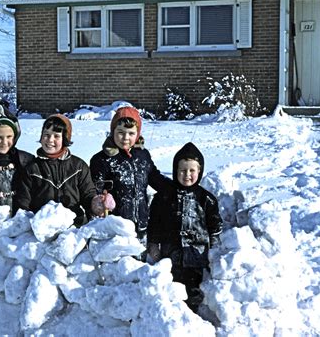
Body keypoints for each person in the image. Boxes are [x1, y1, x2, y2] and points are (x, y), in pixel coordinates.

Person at [147, 142, 223, 312]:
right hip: (170, 255)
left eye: (192, 171)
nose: (187, 175)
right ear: (175, 170)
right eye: (182, 170)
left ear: (199, 171)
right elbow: (154, 223)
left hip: (196, 256)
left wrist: (215, 251)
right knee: (171, 292)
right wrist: (152, 243)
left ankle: (193, 322)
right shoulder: (163, 197)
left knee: (194, 293)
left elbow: (214, 226)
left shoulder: (206, 199)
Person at [90, 106, 172, 246]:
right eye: (120, 132)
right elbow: (95, 189)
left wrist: (175, 187)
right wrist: (100, 200)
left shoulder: (143, 156)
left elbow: (154, 177)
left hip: (142, 224)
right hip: (116, 228)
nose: (126, 138)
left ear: (138, 133)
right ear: (112, 131)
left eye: (131, 133)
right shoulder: (101, 160)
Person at [15, 113, 105, 227]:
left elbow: (88, 195)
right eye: (46, 135)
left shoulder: (78, 167)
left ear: (65, 139)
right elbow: (23, 204)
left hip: (74, 228)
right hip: (42, 230)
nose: (50, 140)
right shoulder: (32, 169)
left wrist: (95, 204)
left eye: (56, 136)